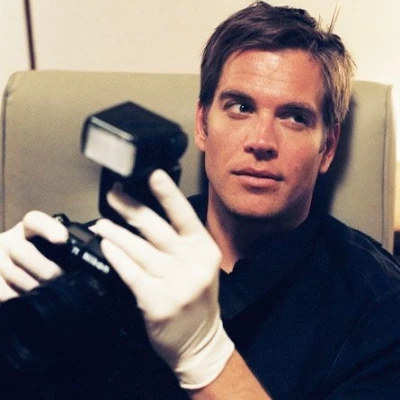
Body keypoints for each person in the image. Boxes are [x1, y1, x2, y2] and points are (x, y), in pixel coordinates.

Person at [1, 1, 400, 399]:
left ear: (327, 147)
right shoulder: (115, 250)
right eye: (241, 107)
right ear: (203, 124)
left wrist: (205, 355)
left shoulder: (380, 308)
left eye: (294, 117)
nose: (261, 141)